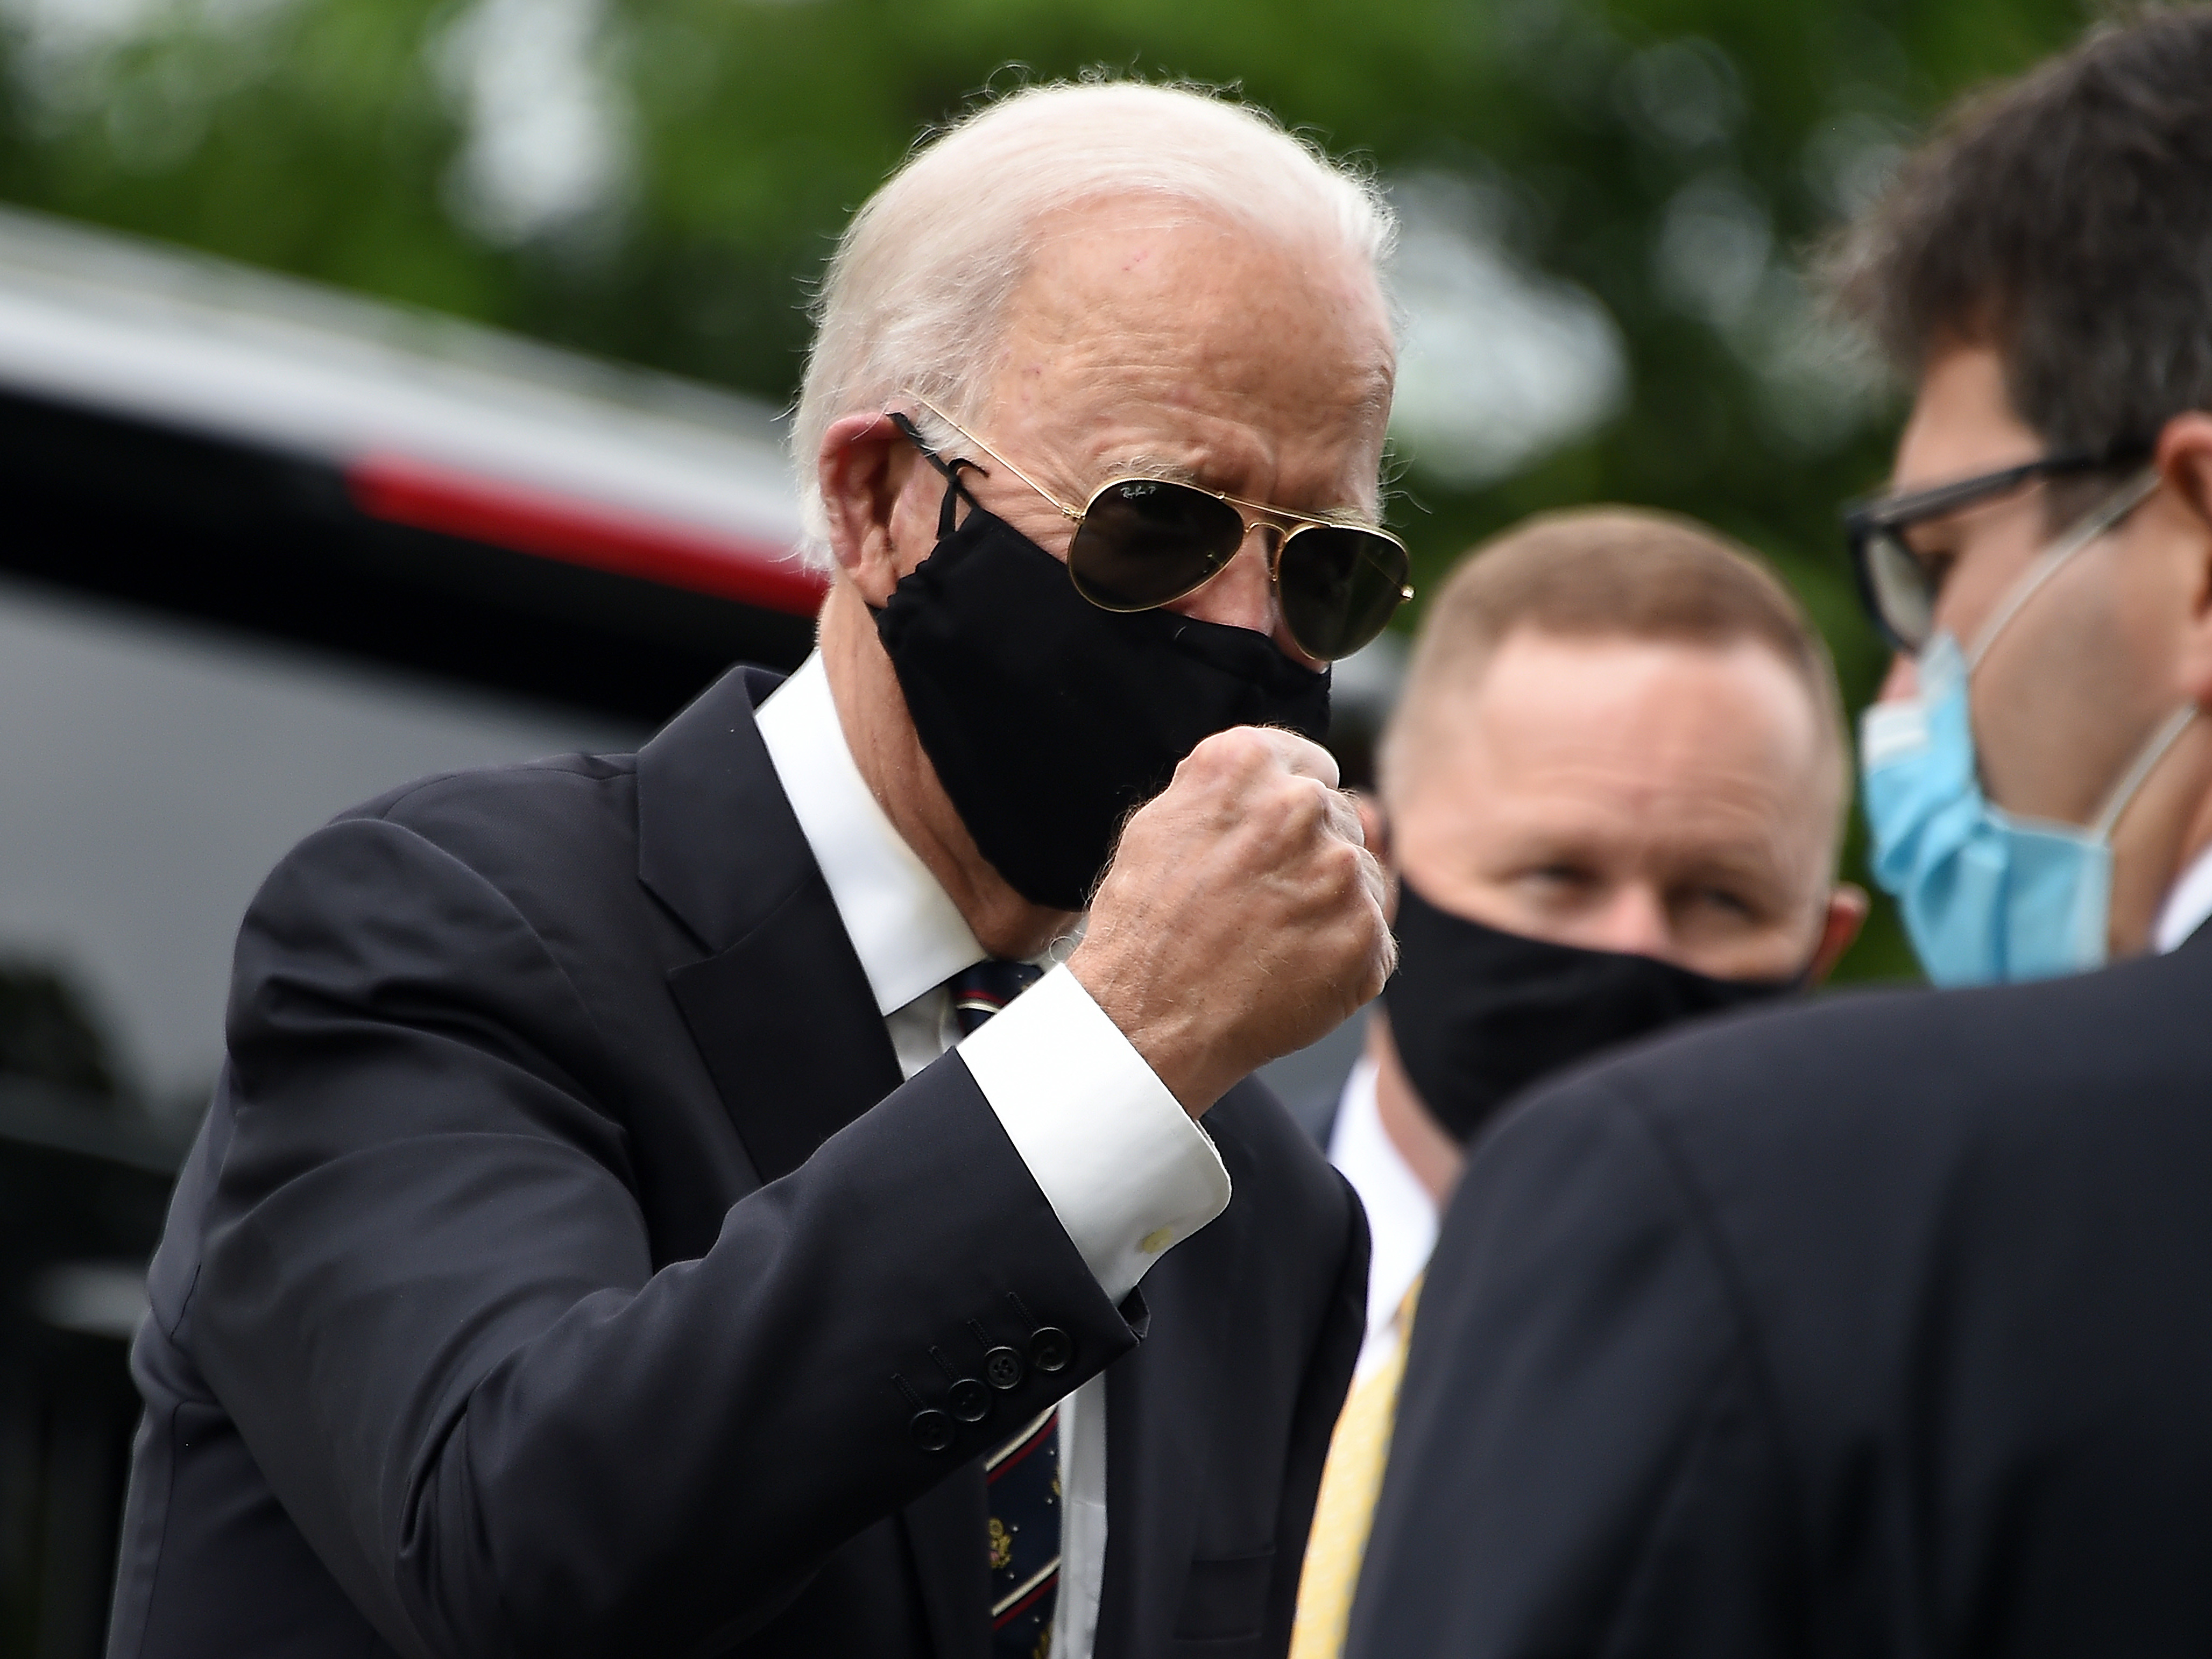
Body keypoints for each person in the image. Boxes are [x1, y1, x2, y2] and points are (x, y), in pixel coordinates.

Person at [108, 82, 1406, 1659]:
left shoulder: (1261, 1206)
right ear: (875, 500)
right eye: (1159, 523)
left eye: (1325, 564)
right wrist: (1123, 1046)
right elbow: (522, 1550)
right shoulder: (439, 935)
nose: (1246, 625)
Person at [1348, 12, 2212, 1656]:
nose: (1923, 674)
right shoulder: (1121, 1261)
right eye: (1551, 873)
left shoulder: (1739, 1206)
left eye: (1939, 562)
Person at [1285, 509, 1865, 1659]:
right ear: (1373, 872)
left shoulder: (1875, 1387)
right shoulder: (1139, 1290)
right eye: (1556, 874)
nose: (1630, 945)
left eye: (1720, 897)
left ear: (1823, 945)